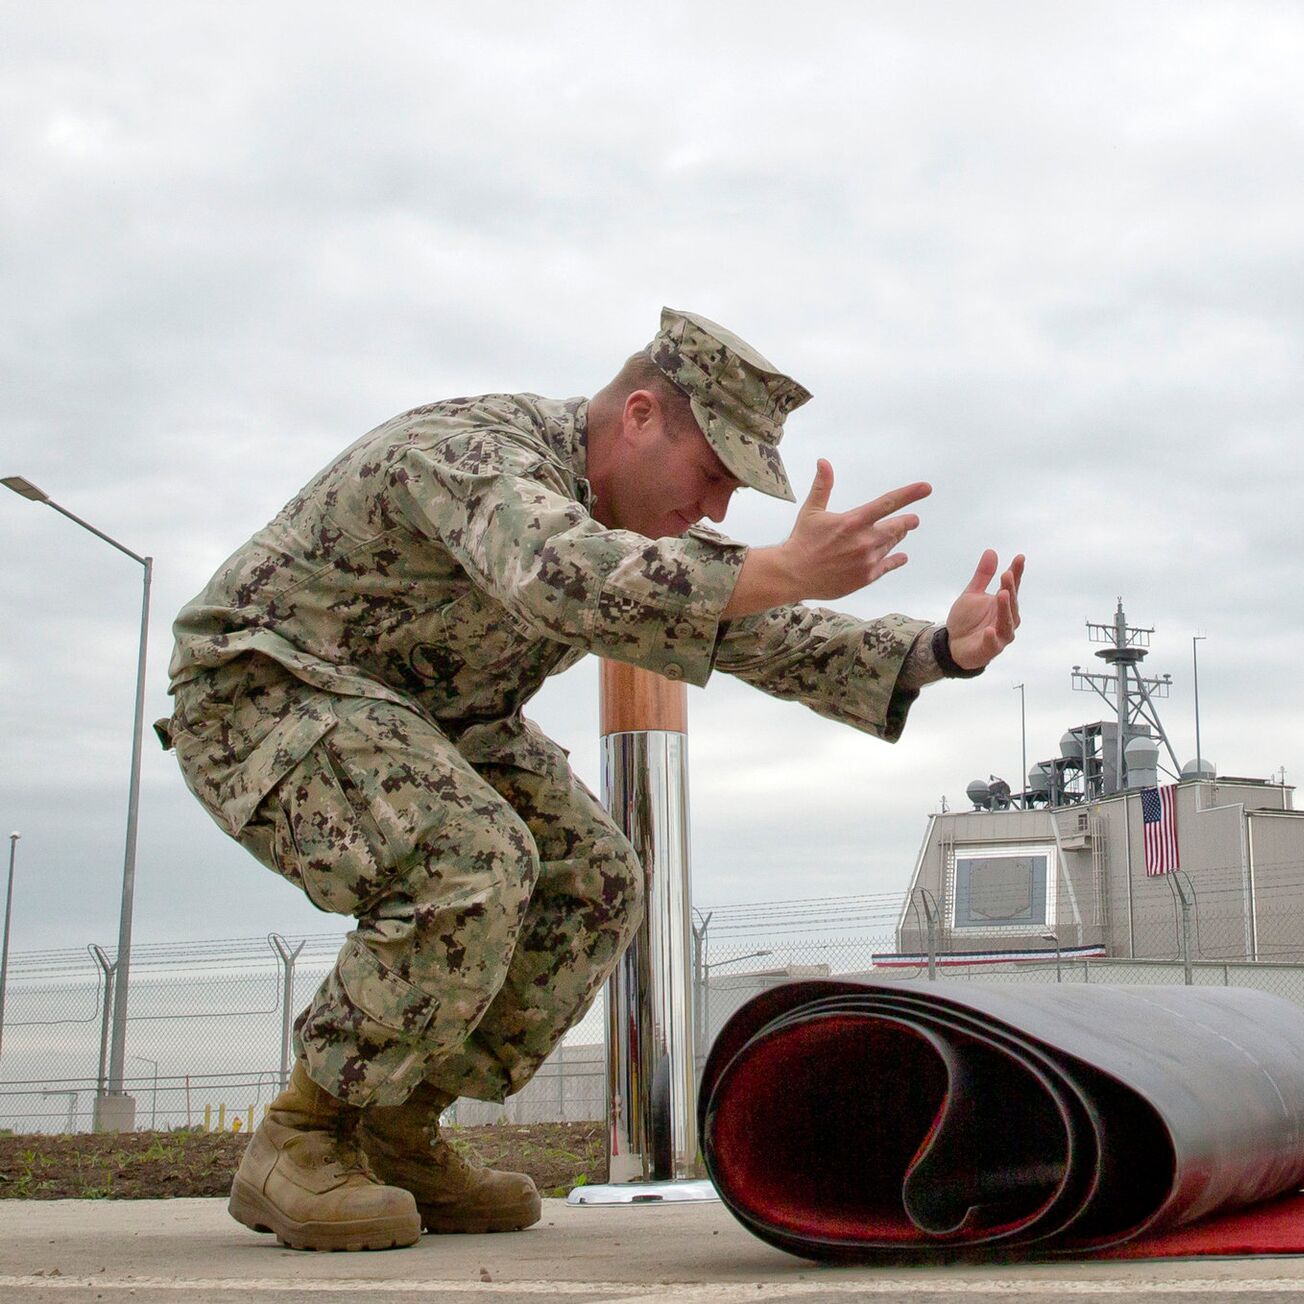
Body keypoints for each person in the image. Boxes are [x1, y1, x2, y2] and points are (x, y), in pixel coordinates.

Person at [157, 308, 1024, 1251]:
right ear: (640, 416)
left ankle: (398, 1127)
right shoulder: (474, 455)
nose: (717, 512)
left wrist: (941, 651)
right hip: (268, 689)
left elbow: (749, 629)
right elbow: (560, 574)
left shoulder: (614, 522)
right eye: (711, 475)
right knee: (472, 856)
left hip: (428, 725)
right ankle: (304, 1132)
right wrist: (780, 568)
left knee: (596, 879)